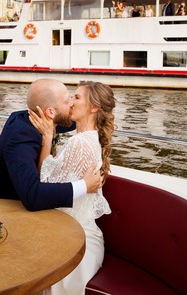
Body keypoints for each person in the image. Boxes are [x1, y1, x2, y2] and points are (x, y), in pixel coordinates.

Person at [0, 79, 102, 211]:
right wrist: (84, 186)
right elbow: (32, 196)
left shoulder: (44, 119)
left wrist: (96, 106)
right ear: (50, 112)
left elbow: (80, 118)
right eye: (68, 100)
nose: (72, 103)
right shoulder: (21, 135)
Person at [29, 81, 114, 295]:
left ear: (93, 107)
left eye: (76, 97)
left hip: (74, 238)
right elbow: (51, 183)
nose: (70, 102)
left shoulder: (80, 143)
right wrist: (48, 138)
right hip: (71, 230)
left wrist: (47, 139)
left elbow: (46, 188)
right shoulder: (81, 139)